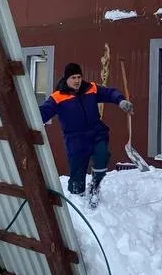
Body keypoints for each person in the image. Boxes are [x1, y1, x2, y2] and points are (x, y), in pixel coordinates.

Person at [39, 62, 134, 198]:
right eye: (73, 77)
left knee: (102, 156)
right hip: (75, 140)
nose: (77, 80)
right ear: (66, 79)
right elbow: (43, 112)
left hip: (96, 134)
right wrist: (30, 119)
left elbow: (110, 93)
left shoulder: (91, 89)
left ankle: (95, 186)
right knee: (77, 177)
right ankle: (77, 199)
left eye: (79, 77)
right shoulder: (57, 97)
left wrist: (120, 101)